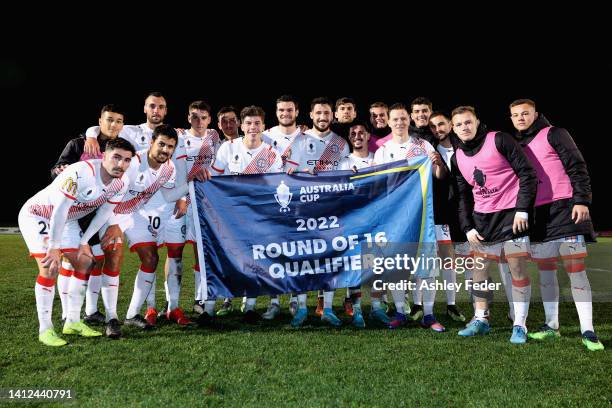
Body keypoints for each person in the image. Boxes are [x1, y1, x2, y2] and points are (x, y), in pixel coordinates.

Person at [18, 138, 135, 346]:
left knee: (85, 262)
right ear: (104, 156)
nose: (121, 164)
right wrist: (54, 248)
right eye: (116, 157)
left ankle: (72, 321)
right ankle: (45, 329)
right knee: (50, 267)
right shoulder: (80, 172)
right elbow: (60, 210)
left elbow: (103, 214)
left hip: (69, 220)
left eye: (127, 160)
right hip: (40, 215)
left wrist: (84, 241)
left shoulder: (122, 181)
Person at [510, 99, 603, 351]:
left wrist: (581, 200)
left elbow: (577, 166)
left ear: (536, 114)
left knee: (576, 270)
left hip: (565, 209)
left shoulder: (554, 133)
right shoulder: (517, 144)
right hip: (538, 217)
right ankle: (552, 326)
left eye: (525, 113)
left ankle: (589, 331)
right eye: (515, 115)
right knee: (546, 272)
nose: (520, 118)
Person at [450, 106, 537, 344]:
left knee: (517, 269)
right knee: (479, 272)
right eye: (458, 124)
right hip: (482, 220)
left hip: (511, 216)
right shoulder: (456, 156)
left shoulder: (499, 139)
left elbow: (527, 174)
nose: (464, 127)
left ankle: (519, 324)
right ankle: (481, 319)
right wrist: (467, 227)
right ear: (453, 128)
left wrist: (522, 211)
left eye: (468, 122)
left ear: (477, 122)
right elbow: (463, 196)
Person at [100, 125, 195, 332]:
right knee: (107, 260)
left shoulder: (168, 168)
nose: (165, 150)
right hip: (110, 214)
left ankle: (132, 314)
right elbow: (113, 191)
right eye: (161, 144)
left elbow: (169, 195)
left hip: (134, 216)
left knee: (151, 258)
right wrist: (114, 224)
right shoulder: (133, 163)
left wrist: (189, 186)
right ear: (151, 142)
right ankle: (105, 317)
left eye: (170, 146)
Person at [50, 104, 126, 326]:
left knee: (99, 259)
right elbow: (56, 169)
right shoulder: (77, 144)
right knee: (70, 261)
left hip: (98, 211)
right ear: (100, 121)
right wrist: (60, 170)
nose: (113, 125)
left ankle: (91, 311)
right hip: (73, 212)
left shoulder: (119, 148)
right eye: (109, 120)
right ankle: (67, 313)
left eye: (118, 121)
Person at [373, 103, 447, 330]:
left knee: (426, 265)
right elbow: (376, 184)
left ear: (409, 120)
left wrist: (438, 164)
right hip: (394, 216)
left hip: (422, 213)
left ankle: (429, 315)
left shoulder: (422, 145)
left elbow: (439, 176)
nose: (399, 122)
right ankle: (399, 312)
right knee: (396, 265)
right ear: (388, 122)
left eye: (403, 118)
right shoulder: (382, 151)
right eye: (395, 119)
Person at [207, 105, 283, 324]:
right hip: (230, 216)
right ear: (241, 125)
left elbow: (274, 189)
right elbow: (213, 180)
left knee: (255, 259)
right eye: (248, 123)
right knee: (228, 258)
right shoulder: (227, 148)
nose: (253, 127)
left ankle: (250, 306)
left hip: (258, 217)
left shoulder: (272, 155)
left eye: (257, 123)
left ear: (264, 126)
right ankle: (218, 303)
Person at [285, 97, 350, 328]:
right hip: (304, 210)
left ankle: (328, 309)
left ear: (332, 115)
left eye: (326, 113)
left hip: (332, 210)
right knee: (304, 259)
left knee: (331, 259)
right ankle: (302, 308)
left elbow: (346, 174)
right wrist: (302, 170)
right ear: (311, 115)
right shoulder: (299, 140)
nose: (323, 117)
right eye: (318, 113)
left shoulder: (341, 143)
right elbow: (287, 173)